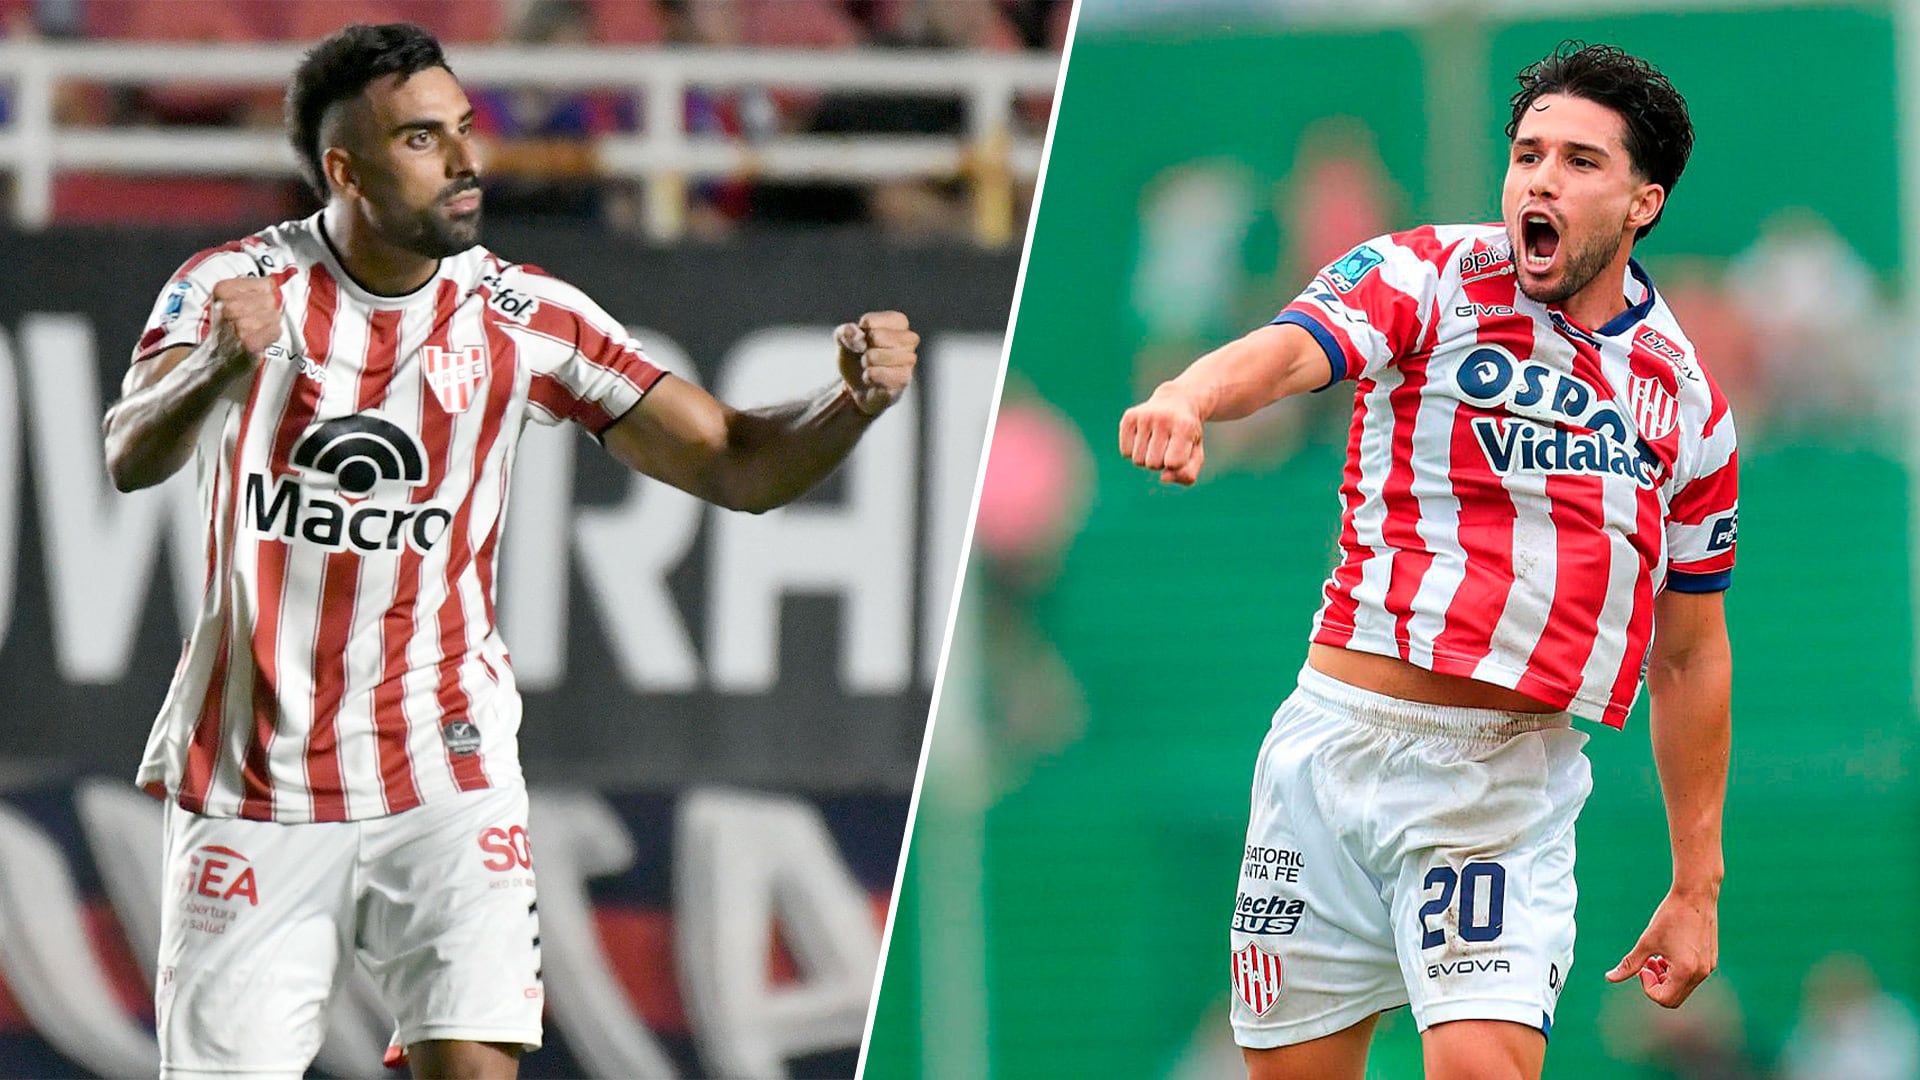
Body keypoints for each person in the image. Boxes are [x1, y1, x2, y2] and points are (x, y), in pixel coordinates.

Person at [100, 22, 918, 1080]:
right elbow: (129, 452)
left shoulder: (522, 315)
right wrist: (212, 367)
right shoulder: (235, 286)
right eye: (421, 139)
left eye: (464, 127)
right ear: (345, 170)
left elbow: (734, 463)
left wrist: (849, 404)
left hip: (447, 769)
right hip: (256, 778)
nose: (464, 159)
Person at [1118, 43, 1734, 1080]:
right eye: (1528, 154)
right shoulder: (1426, 273)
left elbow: (1690, 654)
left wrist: (1696, 884)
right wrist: (1189, 395)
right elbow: (1290, 348)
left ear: (1644, 202)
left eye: (1581, 161)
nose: (1541, 180)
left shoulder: (1686, 400)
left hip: (1501, 784)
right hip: (1330, 754)